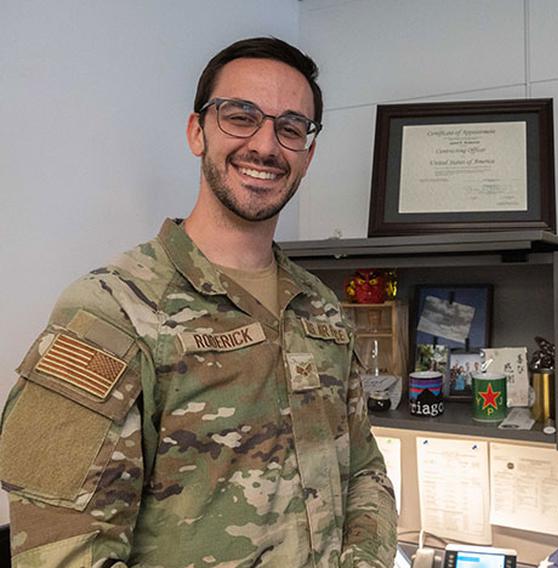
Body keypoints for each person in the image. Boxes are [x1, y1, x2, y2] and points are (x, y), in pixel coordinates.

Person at [0, 37, 397, 567]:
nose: (266, 145)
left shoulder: (319, 309)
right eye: (240, 116)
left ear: (307, 153)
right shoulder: (110, 311)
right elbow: (62, 549)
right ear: (197, 131)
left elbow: (365, 471)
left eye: (290, 128)